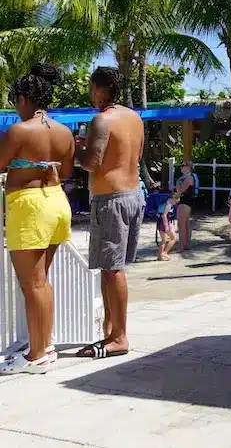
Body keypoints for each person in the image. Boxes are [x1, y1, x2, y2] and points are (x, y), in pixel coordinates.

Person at [0, 64, 75, 375]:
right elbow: (68, 172)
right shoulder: (64, 131)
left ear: (24, 99)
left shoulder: (20, 130)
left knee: (32, 284)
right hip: (57, 201)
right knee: (41, 281)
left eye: (15, 101)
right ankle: (45, 345)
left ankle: (36, 356)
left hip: (29, 205)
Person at [75, 67, 146, 360]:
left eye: (92, 88)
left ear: (101, 89)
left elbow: (92, 163)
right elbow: (135, 156)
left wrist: (74, 149)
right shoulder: (134, 118)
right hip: (134, 194)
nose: (91, 94)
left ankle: (119, 337)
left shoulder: (101, 120)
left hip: (111, 200)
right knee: (110, 267)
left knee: (113, 269)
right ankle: (110, 330)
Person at [174, 160, 198, 252]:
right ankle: (186, 244)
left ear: (189, 168)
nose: (182, 168)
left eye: (184, 166)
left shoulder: (188, 178)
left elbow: (180, 190)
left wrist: (177, 183)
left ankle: (181, 246)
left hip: (185, 203)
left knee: (181, 224)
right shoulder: (188, 177)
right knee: (186, 224)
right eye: (182, 166)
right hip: (188, 203)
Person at [156, 193, 179, 260]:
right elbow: (164, 215)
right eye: (176, 202)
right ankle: (165, 252)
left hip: (160, 223)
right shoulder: (168, 204)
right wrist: (166, 227)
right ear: (173, 199)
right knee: (174, 238)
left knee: (163, 240)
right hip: (165, 223)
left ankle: (159, 257)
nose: (175, 204)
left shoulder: (164, 203)